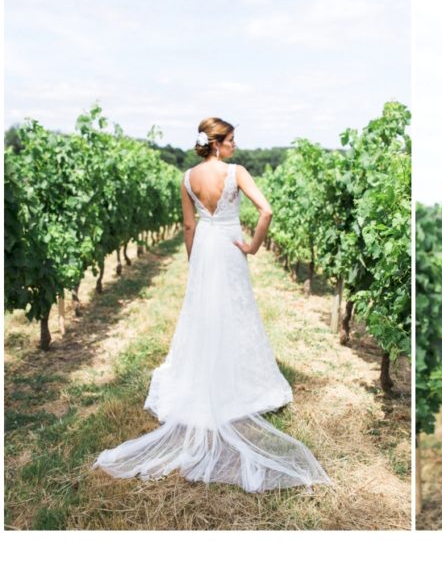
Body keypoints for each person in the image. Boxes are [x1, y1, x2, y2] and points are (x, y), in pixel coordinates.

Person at [93, 117, 331, 493]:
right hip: (231, 245)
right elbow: (266, 211)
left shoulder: (187, 178)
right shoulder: (236, 171)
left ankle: (205, 374)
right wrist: (252, 246)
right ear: (217, 142)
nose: (236, 145)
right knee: (236, 311)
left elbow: (189, 228)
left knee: (204, 313)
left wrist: (194, 262)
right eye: (232, 139)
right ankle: (237, 381)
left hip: (205, 248)